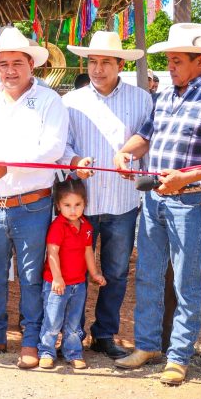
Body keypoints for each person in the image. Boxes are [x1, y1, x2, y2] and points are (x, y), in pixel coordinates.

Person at [114, 23, 201, 385]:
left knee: (186, 281)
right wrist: (126, 153)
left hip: (191, 202)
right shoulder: (165, 96)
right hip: (154, 199)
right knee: (148, 274)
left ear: (200, 60)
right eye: (169, 60)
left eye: (177, 60)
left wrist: (186, 178)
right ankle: (147, 346)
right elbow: (145, 136)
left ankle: (178, 356)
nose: (169, 67)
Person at [0, 26, 68, 369]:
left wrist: (8, 166)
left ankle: (30, 341)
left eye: (16, 63)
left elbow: (52, 148)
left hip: (31, 205)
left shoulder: (49, 101)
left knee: (31, 276)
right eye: (3, 64)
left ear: (31, 65)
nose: (9, 70)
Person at [62, 31, 153, 359]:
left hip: (122, 201)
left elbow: (146, 142)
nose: (97, 69)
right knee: (74, 270)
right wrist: (75, 161)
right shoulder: (70, 102)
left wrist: (137, 167)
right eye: (92, 61)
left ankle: (104, 333)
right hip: (80, 206)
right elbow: (62, 145)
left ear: (120, 65)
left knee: (115, 272)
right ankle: (72, 333)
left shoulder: (142, 100)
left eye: (105, 62)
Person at [38, 178, 106, 370]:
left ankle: (73, 352)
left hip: (78, 284)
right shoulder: (58, 226)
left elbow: (88, 251)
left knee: (74, 322)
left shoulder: (86, 227)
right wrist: (57, 277)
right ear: (58, 205)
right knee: (53, 320)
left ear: (85, 204)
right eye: (67, 205)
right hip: (57, 284)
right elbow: (52, 252)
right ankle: (46, 351)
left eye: (78, 204)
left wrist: (94, 273)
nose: (73, 210)